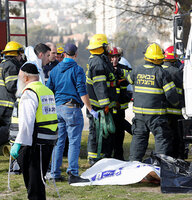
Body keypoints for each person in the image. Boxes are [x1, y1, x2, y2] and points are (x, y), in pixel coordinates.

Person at [119, 43, 179, 162]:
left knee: (139, 139)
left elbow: (127, 80)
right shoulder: (162, 73)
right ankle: (159, 165)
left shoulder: (137, 70)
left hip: (140, 115)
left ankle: (133, 164)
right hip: (156, 116)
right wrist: (176, 104)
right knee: (161, 138)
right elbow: (171, 95)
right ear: (158, 59)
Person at [46, 43, 96, 184]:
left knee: (59, 142)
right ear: (76, 55)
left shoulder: (55, 70)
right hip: (72, 108)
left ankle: (55, 173)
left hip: (58, 109)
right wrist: (90, 109)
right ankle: (73, 174)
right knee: (74, 142)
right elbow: (82, 91)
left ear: (64, 55)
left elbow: (49, 90)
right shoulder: (77, 70)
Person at [10, 62, 58, 200]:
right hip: (47, 143)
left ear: (25, 78)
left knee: (33, 184)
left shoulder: (29, 93)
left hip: (34, 145)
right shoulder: (46, 91)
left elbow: (27, 122)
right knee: (38, 181)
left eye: (19, 78)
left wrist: (19, 143)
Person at [86, 34, 118, 165]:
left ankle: (99, 156)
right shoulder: (98, 62)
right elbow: (100, 86)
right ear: (101, 47)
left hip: (98, 105)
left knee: (99, 133)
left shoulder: (97, 60)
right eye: (105, 46)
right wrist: (105, 105)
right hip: (98, 106)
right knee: (96, 133)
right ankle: (94, 159)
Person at [0, 41, 24, 149]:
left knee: (0, 126)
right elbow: (11, 85)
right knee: (12, 127)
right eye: (20, 54)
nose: (21, 57)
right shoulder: (12, 66)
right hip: (7, 105)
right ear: (17, 54)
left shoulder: (2, 64)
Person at [108, 46, 132, 160]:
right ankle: (109, 156)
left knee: (119, 133)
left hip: (120, 107)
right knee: (110, 133)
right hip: (109, 108)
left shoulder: (124, 68)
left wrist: (120, 72)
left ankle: (119, 156)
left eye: (116, 56)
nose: (114, 59)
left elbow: (129, 77)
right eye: (112, 57)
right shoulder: (106, 68)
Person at [162, 45, 185, 159]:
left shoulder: (160, 70)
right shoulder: (177, 72)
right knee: (177, 138)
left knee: (165, 137)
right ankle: (178, 159)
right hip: (176, 110)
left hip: (163, 111)